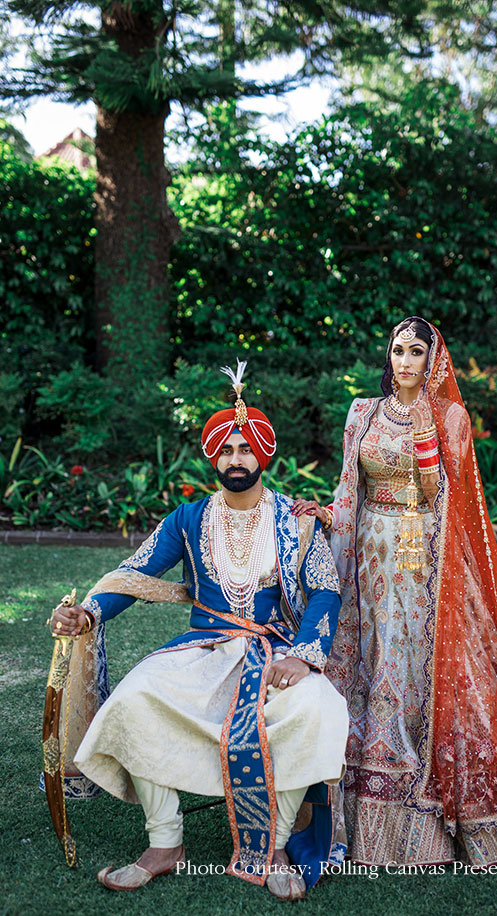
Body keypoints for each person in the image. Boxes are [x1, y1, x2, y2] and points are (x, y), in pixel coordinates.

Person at [292, 316, 497, 866]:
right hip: (368, 558)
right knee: (368, 659)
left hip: (426, 556)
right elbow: (349, 484)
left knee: (410, 664)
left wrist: (425, 423)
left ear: (433, 360)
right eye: (398, 351)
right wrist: (330, 516)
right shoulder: (363, 411)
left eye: (416, 353)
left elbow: (444, 494)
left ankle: (417, 782)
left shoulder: (450, 416)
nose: (405, 362)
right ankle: (352, 780)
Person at [51, 363, 348, 900]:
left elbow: (326, 590)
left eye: (247, 449)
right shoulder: (186, 519)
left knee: (318, 708)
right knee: (136, 697)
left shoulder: (298, 520)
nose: (237, 459)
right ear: (214, 458)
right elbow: (133, 574)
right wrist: (89, 612)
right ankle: (165, 842)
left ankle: (276, 845)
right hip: (203, 650)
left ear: (264, 454)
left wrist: (303, 656)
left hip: (278, 649)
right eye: (227, 451)